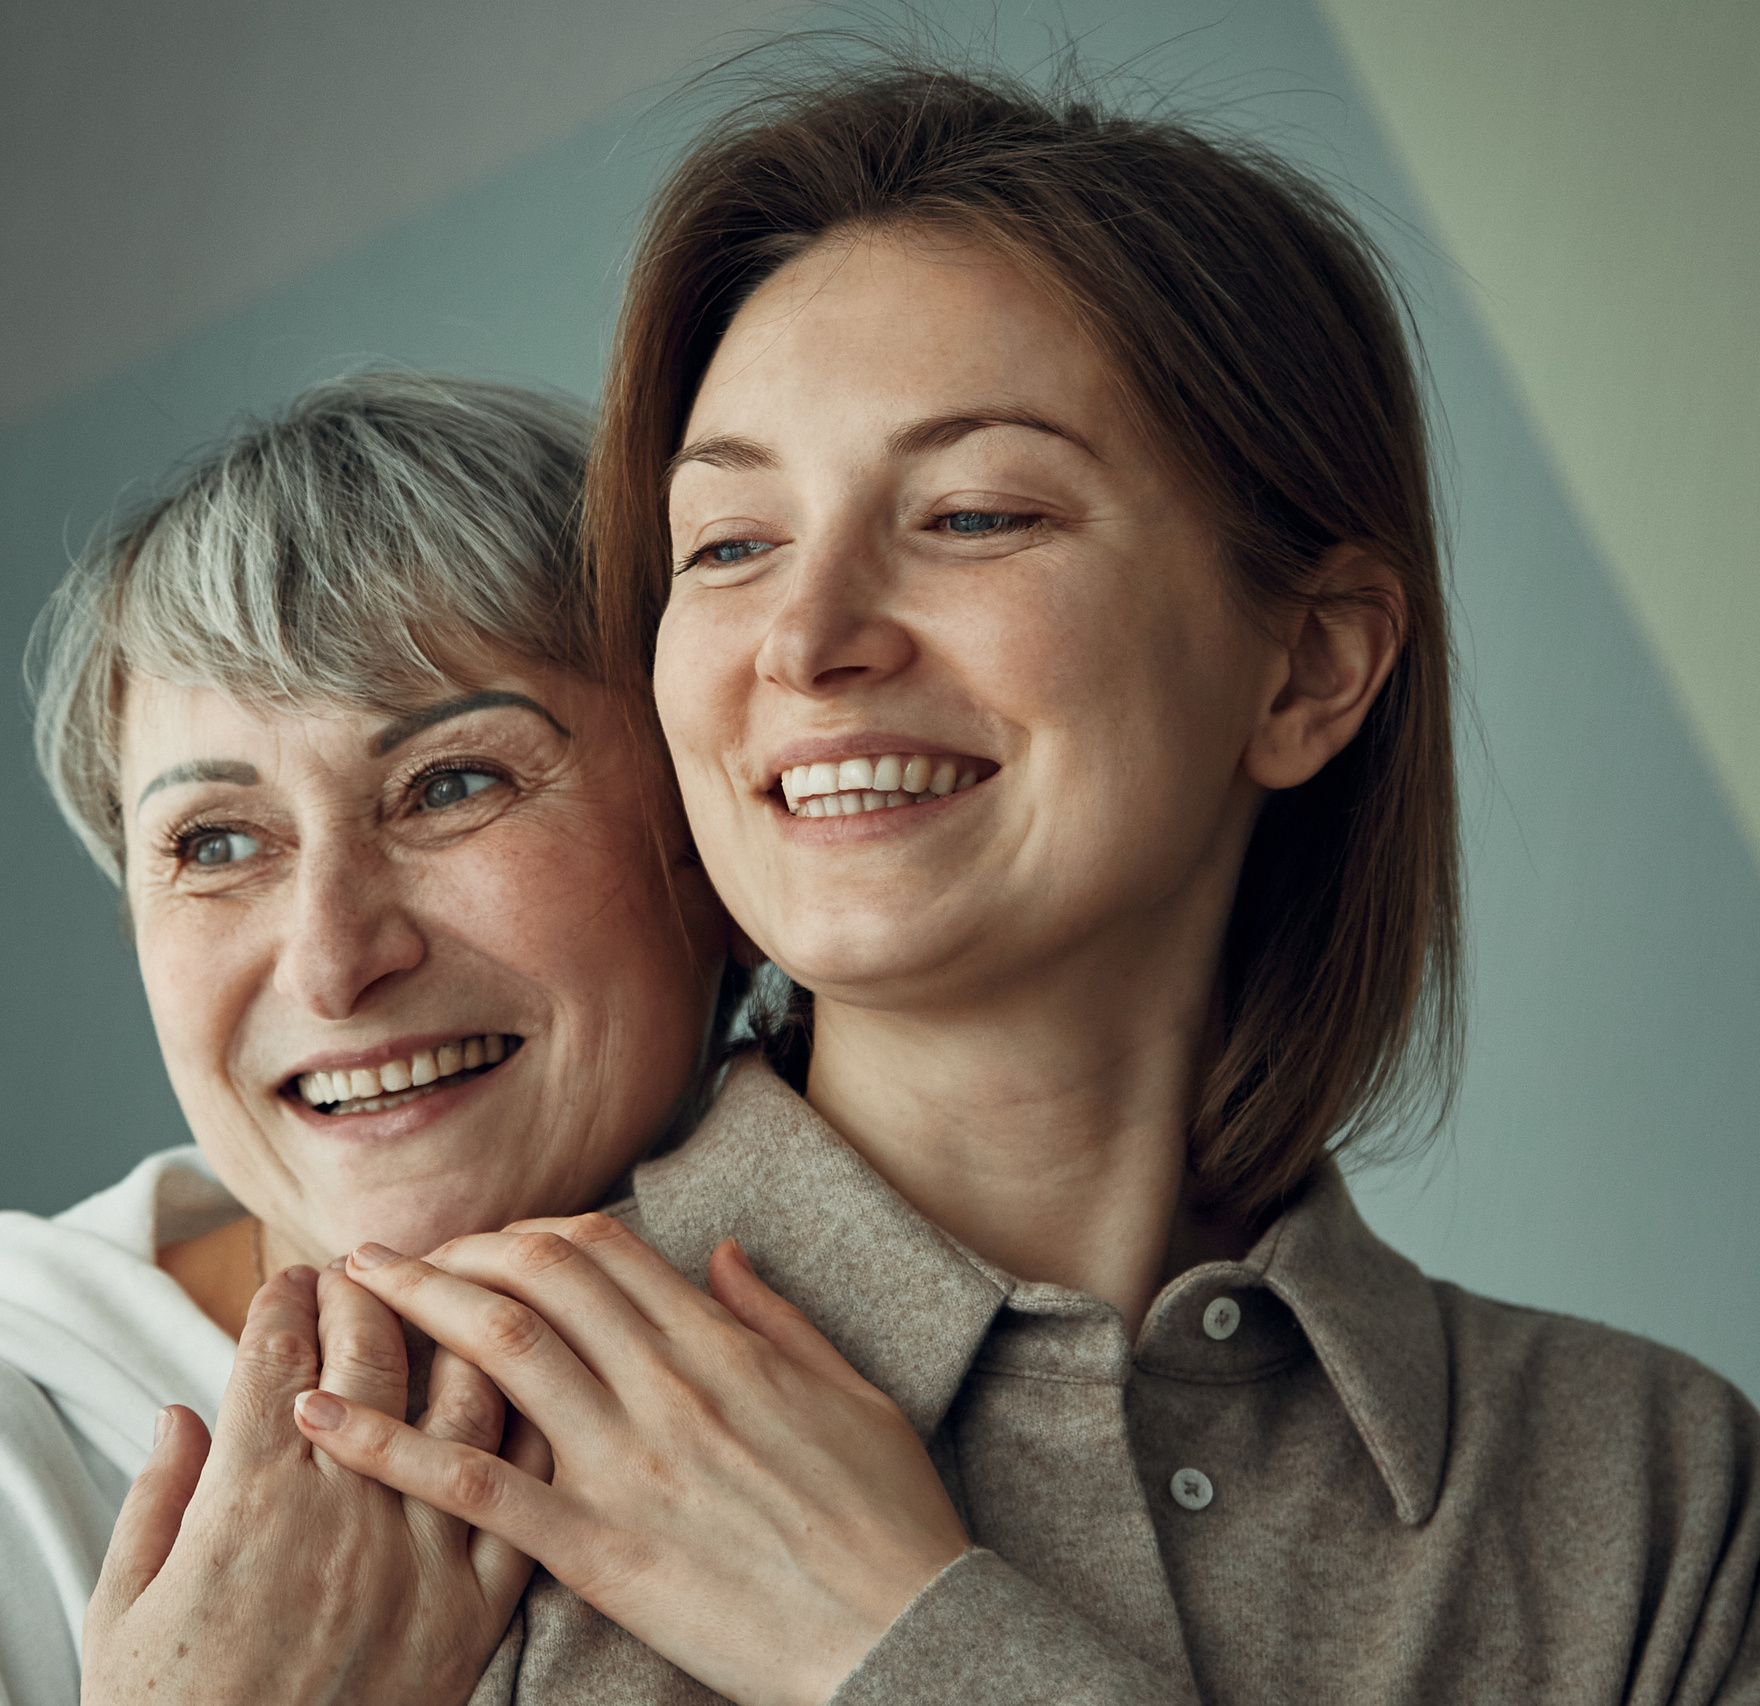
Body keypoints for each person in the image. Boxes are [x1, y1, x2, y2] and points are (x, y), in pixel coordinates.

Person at [294, 62, 1760, 1704]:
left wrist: (898, 1639)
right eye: (729, 543)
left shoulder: (1659, 1502)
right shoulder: (424, 1442)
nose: (808, 638)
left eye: (974, 514)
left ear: (1309, 666)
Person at [0, 372, 731, 1706]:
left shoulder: (857, 1376)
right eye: (218, 844)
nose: (332, 959)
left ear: (699, 817)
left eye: (451, 783)